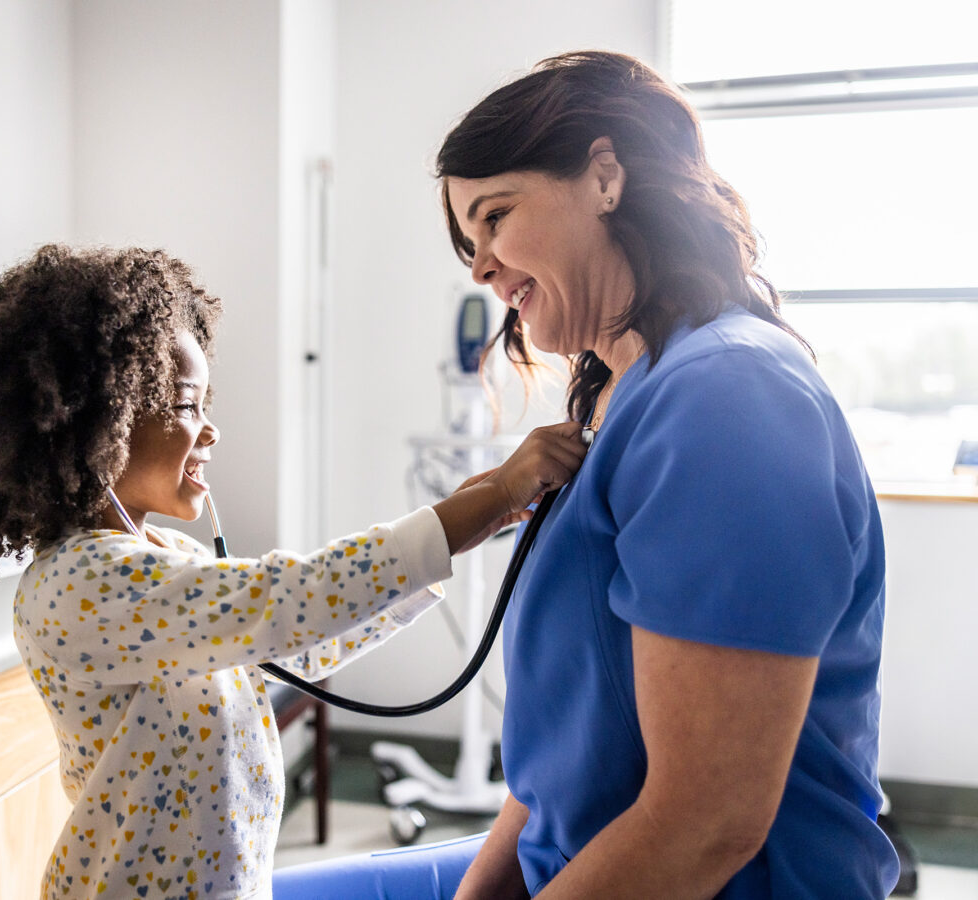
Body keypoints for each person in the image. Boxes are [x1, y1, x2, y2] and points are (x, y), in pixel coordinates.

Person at [274, 50, 899, 898]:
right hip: (565, 856)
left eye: (495, 216)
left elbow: (704, 825)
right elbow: (566, 769)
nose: (479, 266)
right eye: (468, 240)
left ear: (604, 176)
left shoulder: (725, 397)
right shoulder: (622, 399)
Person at [0, 244, 586, 900]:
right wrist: (489, 499)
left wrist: (472, 518)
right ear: (97, 424)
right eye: (186, 406)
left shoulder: (162, 561)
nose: (209, 429)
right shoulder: (79, 587)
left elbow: (293, 643)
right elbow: (289, 600)